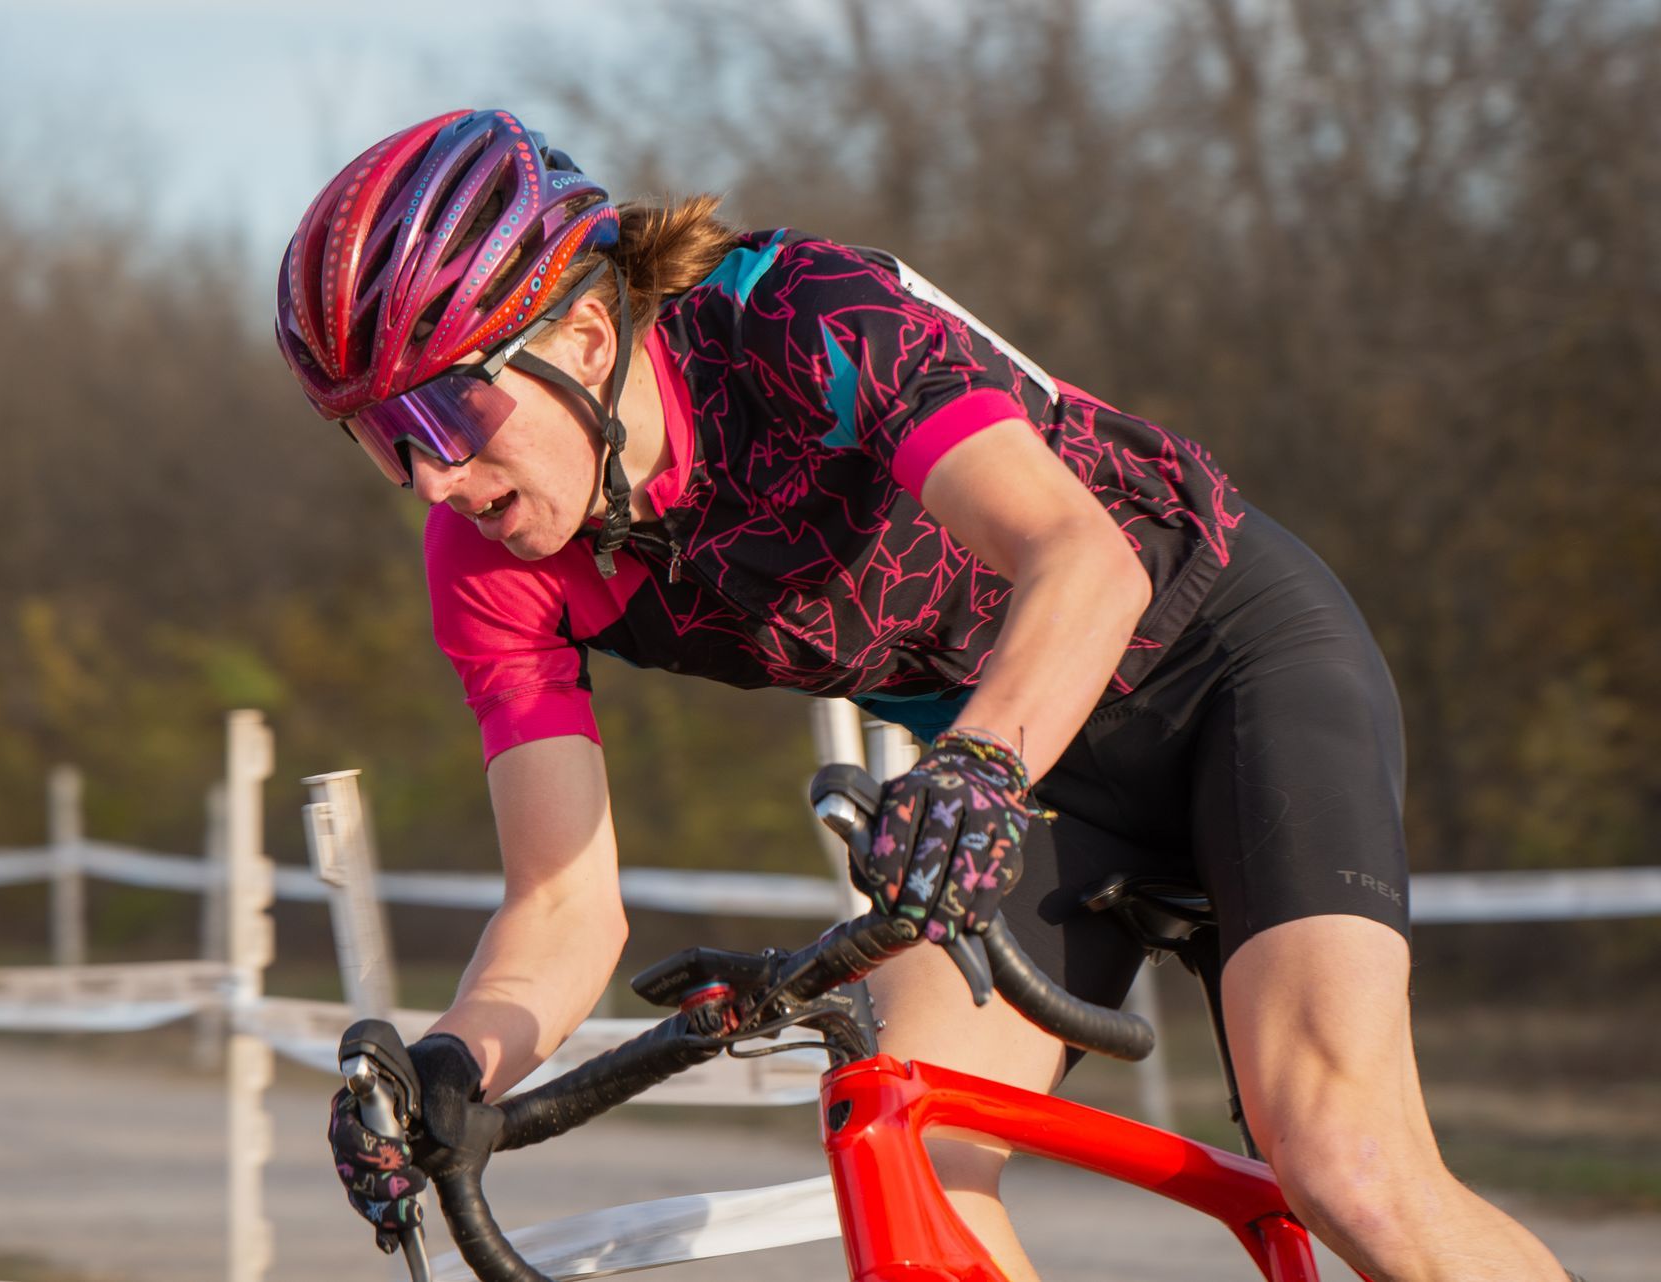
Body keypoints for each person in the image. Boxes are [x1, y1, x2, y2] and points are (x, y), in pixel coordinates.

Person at [279, 108, 1579, 1282]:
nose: (430, 481)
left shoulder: (795, 322)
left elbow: (1084, 563)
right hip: (1037, 774)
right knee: (901, 1135)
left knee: (1341, 1153)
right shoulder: (494, 563)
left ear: (578, 331)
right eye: (382, 440)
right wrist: (450, 1063)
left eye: (444, 415)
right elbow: (560, 902)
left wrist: (972, 772)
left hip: (1216, 655)